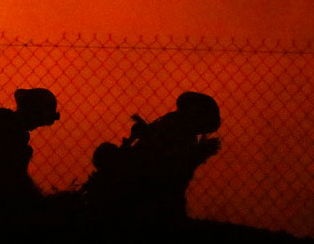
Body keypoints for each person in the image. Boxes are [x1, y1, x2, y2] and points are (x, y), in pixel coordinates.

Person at [83, 91, 221, 223]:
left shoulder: (171, 125)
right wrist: (198, 154)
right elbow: (172, 168)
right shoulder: (178, 131)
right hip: (150, 194)